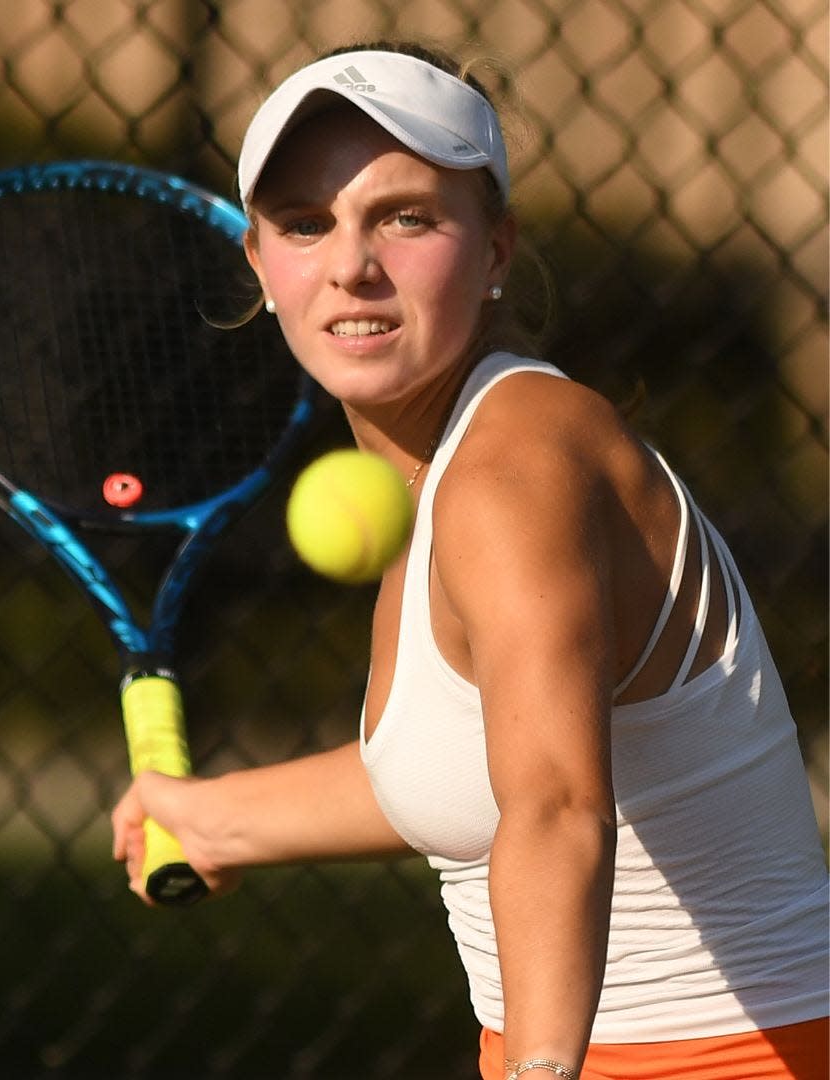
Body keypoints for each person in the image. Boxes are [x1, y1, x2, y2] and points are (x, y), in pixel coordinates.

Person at [112, 41, 828, 1080]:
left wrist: (539, 1070)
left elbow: (552, 803)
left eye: (405, 217)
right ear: (261, 268)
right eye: (307, 224)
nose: (353, 264)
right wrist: (221, 820)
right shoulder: (439, 468)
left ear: (495, 249)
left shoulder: (510, 469)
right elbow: (474, 765)